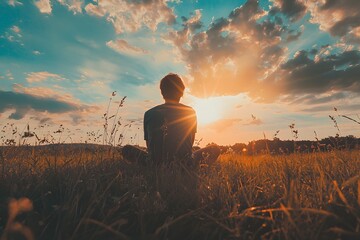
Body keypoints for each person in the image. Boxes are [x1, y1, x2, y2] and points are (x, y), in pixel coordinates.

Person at [122, 73, 220, 166]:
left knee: (126, 149)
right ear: (182, 92)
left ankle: (152, 166)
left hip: (154, 163)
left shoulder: (148, 114)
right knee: (214, 148)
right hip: (184, 163)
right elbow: (190, 142)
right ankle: (196, 167)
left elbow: (149, 146)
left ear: (162, 92)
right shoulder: (190, 112)